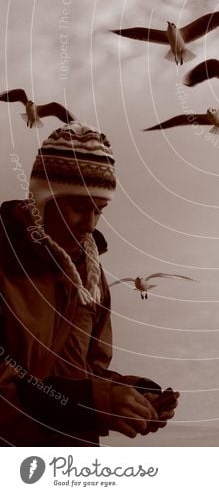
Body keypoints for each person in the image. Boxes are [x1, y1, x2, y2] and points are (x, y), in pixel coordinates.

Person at [0, 122, 179, 446]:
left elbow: (84, 373)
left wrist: (129, 394)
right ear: (43, 197)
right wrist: (94, 402)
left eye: (100, 209)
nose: (90, 224)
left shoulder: (90, 276)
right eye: (80, 207)